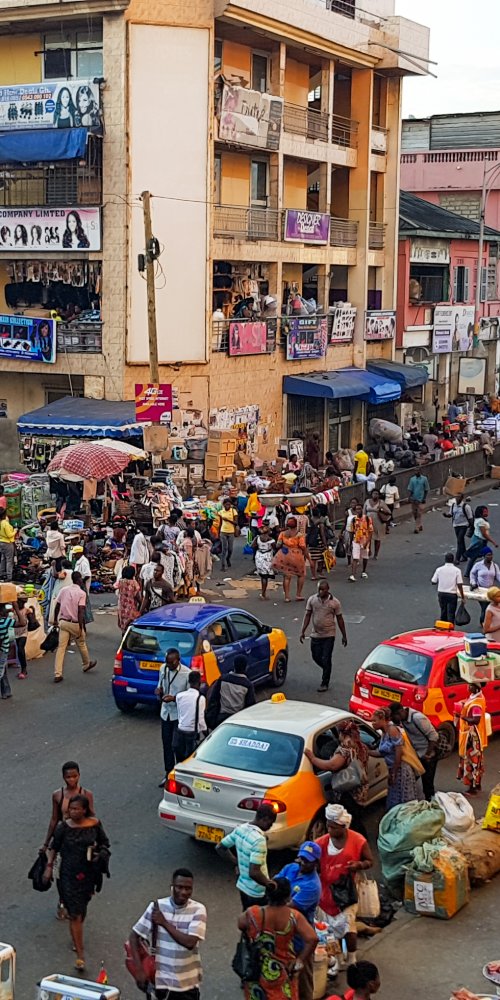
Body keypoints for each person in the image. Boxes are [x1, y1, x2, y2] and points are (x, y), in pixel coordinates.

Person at [44, 794, 110, 971]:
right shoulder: (63, 828)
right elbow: (53, 847)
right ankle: (80, 955)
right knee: (75, 914)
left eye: (76, 809)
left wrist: (100, 854)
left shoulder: (95, 825)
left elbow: (105, 844)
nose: (72, 812)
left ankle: (76, 937)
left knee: (82, 909)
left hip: (88, 874)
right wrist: (49, 867)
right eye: (70, 809)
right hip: (68, 875)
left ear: (84, 810)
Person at [129, 868, 206, 999]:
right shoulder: (157, 907)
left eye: (188, 889)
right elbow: (134, 936)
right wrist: (139, 970)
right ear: (172, 887)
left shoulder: (198, 910)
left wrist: (164, 923)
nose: (183, 892)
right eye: (179, 887)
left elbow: (190, 943)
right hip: (161, 984)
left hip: (187, 984)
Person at [237, 877, 318, 1000]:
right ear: (288, 897)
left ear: (267, 894)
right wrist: (299, 961)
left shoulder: (253, 913)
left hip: (257, 969)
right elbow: (312, 939)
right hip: (284, 970)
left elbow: (240, 924)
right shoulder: (293, 916)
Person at [315, 803, 373, 967]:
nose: (330, 830)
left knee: (348, 928)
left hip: (347, 893)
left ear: (343, 826)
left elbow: (370, 861)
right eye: (328, 826)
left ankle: (352, 958)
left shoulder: (358, 840)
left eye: (333, 827)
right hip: (326, 895)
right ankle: (338, 960)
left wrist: (358, 865)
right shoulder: (321, 843)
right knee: (331, 932)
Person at [43, 761, 95, 920]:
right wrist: (46, 843)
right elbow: (54, 819)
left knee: (81, 874)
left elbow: (92, 817)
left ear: (79, 776)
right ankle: (63, 901)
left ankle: (77, 902)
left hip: (81, 842)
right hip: (62, 840)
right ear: (63, 777)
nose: (71, 780)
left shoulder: (86, 794)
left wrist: (94, 842)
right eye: (68, 777)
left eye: (74, 776)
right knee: (60, 875)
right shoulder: (57, 795)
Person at [305, 720, 369, 836]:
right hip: (360, 788)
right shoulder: (361, 746)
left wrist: (312, 758)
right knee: (356, 816)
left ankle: (359, 844)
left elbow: (332, 765)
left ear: (342, 734)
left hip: (348, 791)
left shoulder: (345, 749)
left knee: (352, 821)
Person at [216, 802, 277, 909]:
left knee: (247, 916)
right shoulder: (259, 840)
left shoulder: (241, 828)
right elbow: (254, 872)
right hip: (257, 892)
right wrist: (269, 884)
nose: (270, 827)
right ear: (265, 819)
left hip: (243, 886)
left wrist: (236, 862)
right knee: (259, 921)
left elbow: (220, 847)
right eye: (270, 823)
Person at [300, 579, 347, 693]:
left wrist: (344, 635)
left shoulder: (334, 603)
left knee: (326, 658)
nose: (320, 592)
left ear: (328, 590)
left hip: (329, 635)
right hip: (315, 634)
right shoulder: (312, 600)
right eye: (319, 589)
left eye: (323, 590)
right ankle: (327, 668)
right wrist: (303, 631)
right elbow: (307, 615)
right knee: (316, 656)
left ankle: (324, 682)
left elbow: (340, 619)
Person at [371, 707, 424, 808]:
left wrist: (394, 773)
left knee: (404, 801)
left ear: (383, 720)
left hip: (401, 770)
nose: (372, 723)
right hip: (394, 770)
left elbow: (398, 753)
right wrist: (367, 751)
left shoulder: (392, 730)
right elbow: (383, 753)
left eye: (375, 720)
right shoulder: (384, 733)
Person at [53, 572, 96, 683]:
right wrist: (81, 627)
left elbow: (57, 606)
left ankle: (58, 673)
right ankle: (86, 664)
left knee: (61, 648)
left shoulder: (64, 590)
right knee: (81, 643)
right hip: (75, 623)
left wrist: (54, 620)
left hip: (63, 622)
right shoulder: (81, 593)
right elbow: (81, 611)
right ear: (80, 580)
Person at [390, 705, 439, 801]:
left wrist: (428, 754)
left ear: (400, 712)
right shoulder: (403, 719)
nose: (393, 720)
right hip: (417, 754)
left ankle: (431, 804)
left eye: (393, 717)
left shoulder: (417, 718)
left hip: (428, 755)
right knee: (411, 779)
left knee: (427, 783)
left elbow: (434, 736)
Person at [156, 648, 190, 785]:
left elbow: (189, 697)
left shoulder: (186, 674)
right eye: (167, 663)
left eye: (171, 663)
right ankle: (168, 773)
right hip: (165, 713)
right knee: (166, 745)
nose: (168, 666)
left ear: (178, 660)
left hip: (178, 715)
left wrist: (174, 698)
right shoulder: (163, 669)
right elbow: (161, 685)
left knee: (177, 746)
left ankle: (180, 772)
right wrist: (159, 691)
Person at [206, 654, 255, 728]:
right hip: (238, 720)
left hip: (221, 719)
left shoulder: (223, 679)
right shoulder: (247, 685)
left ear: (233, 665)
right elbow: (250, 706)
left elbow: (213, 699)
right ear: (246, 667)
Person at [456, 683, 488, 795]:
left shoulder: (476, 703)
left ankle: (472, 789)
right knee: (476, 761)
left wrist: (462, 716)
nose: (468, 687)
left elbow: (476, 720)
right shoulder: (477, 697)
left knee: (471, 762)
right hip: (471, 735)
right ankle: (477, 785)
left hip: (472, 737)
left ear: (477, 687)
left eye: (470, 686)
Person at [174, 670, 207, 761]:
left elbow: (180, 713)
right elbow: (201, 719)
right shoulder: (200, 698)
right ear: (199, 682)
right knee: (189, 759)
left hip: (180, 731)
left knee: (179, 760)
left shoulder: (179, 696)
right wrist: (206, 732)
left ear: (189, 682)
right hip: (192, 733)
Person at [272, 517, 307, 602]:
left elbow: (278, 545)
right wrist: (306, 556)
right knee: (301, 575)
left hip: (284, 555)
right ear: (296, 525)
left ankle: (287, 597)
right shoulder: (299, 535)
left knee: (287, 576)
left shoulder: (283, 534)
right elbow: (302, 546)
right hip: (297, 556)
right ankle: (298, 595)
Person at [431, 552, 465, 624]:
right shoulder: (457, 570)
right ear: (453, 560)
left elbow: (433, 581)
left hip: (442, 593)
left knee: (443, 612)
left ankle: (443, 628)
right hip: (452, 594)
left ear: (445, 559)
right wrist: (462, 596)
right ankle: (450, 629)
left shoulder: (439, 569)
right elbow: (459, 584)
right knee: (451, 613)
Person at [465, 505, 498, 577]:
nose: (487, 512)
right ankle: (470, 572)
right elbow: (484, 534)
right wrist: (493, 542)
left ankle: (471, 572)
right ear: (481, 512)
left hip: (480, 540)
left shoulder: (480, 519)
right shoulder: (480, 521)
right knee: (483, 555)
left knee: (480, 556)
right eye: (485, 511)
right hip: (480, 541)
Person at [470, 549, 500, 625]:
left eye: (491, 555)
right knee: (485, 606)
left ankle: (486, 621)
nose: (490, 557)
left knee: (489, 606)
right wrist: (473, 583)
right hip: (480, 590)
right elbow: (472, 574)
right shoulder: (478, 565)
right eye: (488, 555)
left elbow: (498, 576)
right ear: (484, 556)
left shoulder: (495, 566)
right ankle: (483, 622)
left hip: (491, 591)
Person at [445, 493, 474, 564]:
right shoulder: (453, 506)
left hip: (464, 525)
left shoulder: (466, 507)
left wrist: (471, 527)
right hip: (456, 525)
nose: (457, 498)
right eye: (456, 497)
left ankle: (457, 558)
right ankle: (464, 556)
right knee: (461, 541)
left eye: (458, 497)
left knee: (459, 540)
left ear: (462, 498)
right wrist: (446, 515)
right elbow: (451, 514)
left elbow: (470, 517)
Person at [363, 491, 390, 560]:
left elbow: (388, 512)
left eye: (377, 494)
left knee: (377, 538)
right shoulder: (367, 501)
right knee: (367, 537)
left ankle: (376, 554)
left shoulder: (381, 503)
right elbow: (364, 512)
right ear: (371, 494)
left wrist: (381, 509)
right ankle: (369, 551)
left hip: (378, 522)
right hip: (368, 521)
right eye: (374, 493)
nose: (375, 495)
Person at [349, 504, 373, 582]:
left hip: (365, 540)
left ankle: (364, 571)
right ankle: (353, 574)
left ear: (362, 509)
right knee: (355, 558)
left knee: (365, 557)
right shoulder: (353, 520)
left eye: (359, 509)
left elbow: (370, 532)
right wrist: (350, 543)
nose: (358, 510)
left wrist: (368, 542)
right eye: (357, 509)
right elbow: (352, 532)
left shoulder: (367, 519)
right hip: (356, 540)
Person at [252, 522, 276, 600]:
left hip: (259, 556)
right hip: (267, 556)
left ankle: (263, 593)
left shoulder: (257, 538)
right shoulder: (271, 540)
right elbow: (275, 548)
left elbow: (252, 546)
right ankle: (263, 594)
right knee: (265, 576)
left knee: (262, 575)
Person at [117, 565, 141, 633]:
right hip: (131, 606)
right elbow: (137, 595)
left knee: (123, 622)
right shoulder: (134, 583)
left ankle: (123, 636)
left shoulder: (121, 581)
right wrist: (142, 604)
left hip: (122, 606)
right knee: (131, 622)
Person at [12, 591, 29, 679]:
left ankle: (24, 669)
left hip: (22, 632)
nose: (22, 603)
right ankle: (12, 662)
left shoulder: (26, 610)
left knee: (20, 649)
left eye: (24, 602)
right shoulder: (10, 609)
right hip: (12, 632)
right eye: (20, 601)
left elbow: (23, 623)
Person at [218, 497, 237, 571]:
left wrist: (228, 520)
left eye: (229, 505)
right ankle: (223, 565)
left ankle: (228, 558)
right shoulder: (221, 512)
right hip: (223, 531)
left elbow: (236, 522)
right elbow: (220, 523)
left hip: (231, 532)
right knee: (224, 549)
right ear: (224, 505)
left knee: (230, 549)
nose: (227, 506)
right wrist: (219, 532)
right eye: (226, 505)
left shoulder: (233, 511)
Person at [0, 601, 13, 700]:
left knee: (3, 671)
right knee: (1, 671)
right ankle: (6, 691)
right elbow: (22, 622)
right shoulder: (5, 622)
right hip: (3, 650)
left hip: (3, 650)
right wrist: (15, 607)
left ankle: (6, 691)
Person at [0, 509, 16, 581]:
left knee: (3, 559)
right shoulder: (5, 524)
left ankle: (2, 573)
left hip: (1, 542)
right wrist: (15, 531)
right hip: (7, 543)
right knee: (9, 560)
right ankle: (9, 577)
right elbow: (9, 535)